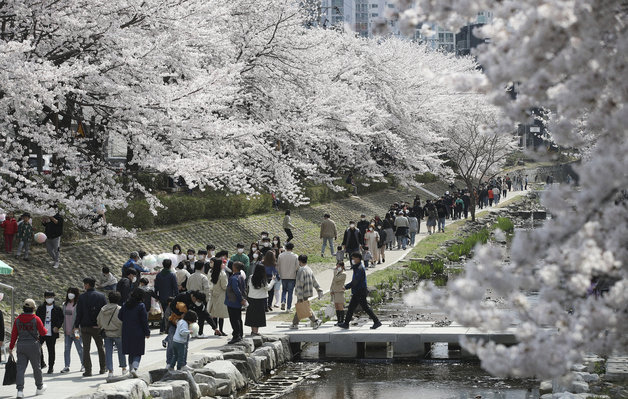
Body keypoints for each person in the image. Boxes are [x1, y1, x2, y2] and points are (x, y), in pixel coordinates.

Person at [9, 298, 48, 398]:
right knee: (36, 367)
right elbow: (43, 332)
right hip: (33, 346)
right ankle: (39, 387)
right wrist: (46, 330)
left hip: (21, 345)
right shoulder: (36, 319)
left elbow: (14, 335)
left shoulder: (17, 320)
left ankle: (20, 391)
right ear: (33, 308)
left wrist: (11, 347)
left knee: (20, 369)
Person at [337, 252, 381, 330]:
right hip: (358, 291)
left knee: (364, 307)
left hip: (360, 291)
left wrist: (346, 287)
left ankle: (376, 321)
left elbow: (355, 281)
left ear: (358, 259)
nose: (352, 260)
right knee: (352, 307)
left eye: (353, 258)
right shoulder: (357, 267)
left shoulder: (359, 268)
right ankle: (346, 323)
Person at [73, 277, 107, 377]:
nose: (84, 286)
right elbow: (104, 311)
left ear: (87, 285)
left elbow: (79, 313)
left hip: (85, 327)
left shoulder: (82, 297)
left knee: (86, 349)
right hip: (97, 327)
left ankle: (88, 371)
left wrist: (76, 326)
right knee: (100, 347)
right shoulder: (101, 296)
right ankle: (102, 368)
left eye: (84, 284)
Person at [118, 288, 150, 377]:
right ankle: (134, 368)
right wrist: (147, 332)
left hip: (126, 331)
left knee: (131, 352)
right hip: (138, 331)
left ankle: (131, 369)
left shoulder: (125, 305)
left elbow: (119, 316)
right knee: (138, 352)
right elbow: (144, 321)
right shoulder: (141, 306)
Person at [97, 291, 127, 378]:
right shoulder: (120, 309)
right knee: (121, 351)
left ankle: (110, 371)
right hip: (118, 333)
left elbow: (98, 321)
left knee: (108, 352)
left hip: (107, 333)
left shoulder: (103, 309)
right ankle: (124, 368)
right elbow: (123, 321)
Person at [289, 255, 323, 330]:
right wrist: (319, 289)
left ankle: (316, 320)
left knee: (304, 308)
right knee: (301, 308)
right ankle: (295, 323)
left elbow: (299, 284)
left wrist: (300, 296)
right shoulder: (309, 269)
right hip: (308, 291)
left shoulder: (301, 270)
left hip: (302, 293)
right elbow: (314, 280)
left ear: (300, 261)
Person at [36, 291, 63, 374]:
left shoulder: (57, 308)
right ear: (45, 298)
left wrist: (57, 327)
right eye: (47, 297)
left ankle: (51, 367)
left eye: (51, 297)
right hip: (42, 332)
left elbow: (61, 319)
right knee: (37, 347)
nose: (49, 299)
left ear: (54, 297)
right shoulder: (41, 308)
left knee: (51, 350)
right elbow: (37, 318)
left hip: (52, 333)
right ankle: (42, 363)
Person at [245, 264, 276, 335]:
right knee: (259, 316)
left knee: (252, 315)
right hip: (260, 299)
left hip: (251, 298)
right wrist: (273, 281)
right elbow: (268, 288)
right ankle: (256, 331)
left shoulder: (251, 277)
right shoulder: (263, 279)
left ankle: (253, 331)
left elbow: (248, 286)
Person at [60, 288, 83, 373]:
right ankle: (66, 366)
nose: (70, 294)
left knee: (80, 348)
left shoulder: (78, 304)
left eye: (72, 293)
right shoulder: (64, 304)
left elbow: (79, 317)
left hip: (76, 331)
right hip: (67, 330)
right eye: (69, 292)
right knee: (66, 349)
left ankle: (83, 364)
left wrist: (77, 327)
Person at [154, 259, 179, 334]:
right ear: (170, 265)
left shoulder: (159, 275)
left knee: (165, 312)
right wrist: (177, 296)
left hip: (161, 296)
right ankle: (165, 328)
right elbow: (175, 287)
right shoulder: (172, 275)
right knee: (169, 313)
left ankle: (163, 328)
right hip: (170, 297)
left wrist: (156, 296)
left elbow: (156, 287)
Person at [225, 261, 246, 344]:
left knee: (234, 319)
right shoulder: (241, 276)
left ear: (234, 268)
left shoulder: (234, 278)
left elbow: (236, 289)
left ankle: (236, 335)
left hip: (232, 301)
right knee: (238, 318)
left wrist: (240, 298)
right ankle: (240, 334)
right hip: (238, 302)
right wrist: (243, 299)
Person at [209, 258, 229, 336]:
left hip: (214, 294)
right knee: (221, 315)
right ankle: (221, 330)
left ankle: (215, 330)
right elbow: (224, 286)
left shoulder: (211, 272)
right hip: (221, 295)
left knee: (215, 314)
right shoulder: (222, 274)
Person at [277, 242, 299, 311]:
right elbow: (297, 266)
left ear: (285, 248)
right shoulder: (295, 256)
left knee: (284, 290)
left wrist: (280, 273)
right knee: (290, 292)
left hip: (283, 276)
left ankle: (283, 301)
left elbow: (278, 266)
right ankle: (288, 307)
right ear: (292, 248)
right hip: (292, 276)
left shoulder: (281, 256)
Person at [330, 262, 347, 326]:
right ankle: (338, 320)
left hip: (340, 292)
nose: (337, 268)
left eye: (338, 267)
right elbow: (333, 282)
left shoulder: (343, 274)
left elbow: (337, 280)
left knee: (340, 307)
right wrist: (331, 289)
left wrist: (334, 273)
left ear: (342, 267)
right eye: (336, 267)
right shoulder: (337, 274)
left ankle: (341, 321)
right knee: (336, 307)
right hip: (335, 292)